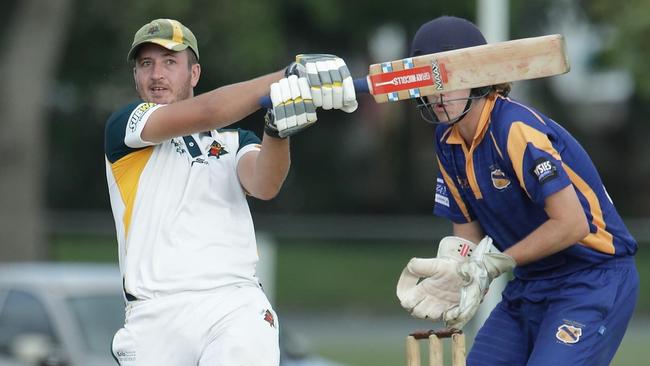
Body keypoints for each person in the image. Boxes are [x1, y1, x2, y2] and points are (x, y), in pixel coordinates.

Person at [104, 18, 357, 365]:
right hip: (154, 312)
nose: (156, 74)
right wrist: (289, 77)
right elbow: (209, 110)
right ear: (136, 76)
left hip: (233, 302)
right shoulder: (127, 127)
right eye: (146, 64)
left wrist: (276, 130)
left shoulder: (236, 141)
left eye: (169, 62)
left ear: (194, 74)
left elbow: (264, 185)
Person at [396, 16, 639, 365]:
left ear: (478, 77)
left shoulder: (514, 128)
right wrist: (459, 272)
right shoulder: (446, 140)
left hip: (591, 278)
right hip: (529, 284)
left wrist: (493, 265)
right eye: (428, 82)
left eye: (446, 79)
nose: (436, 94)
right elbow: (468, 233)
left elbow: (572, 224)